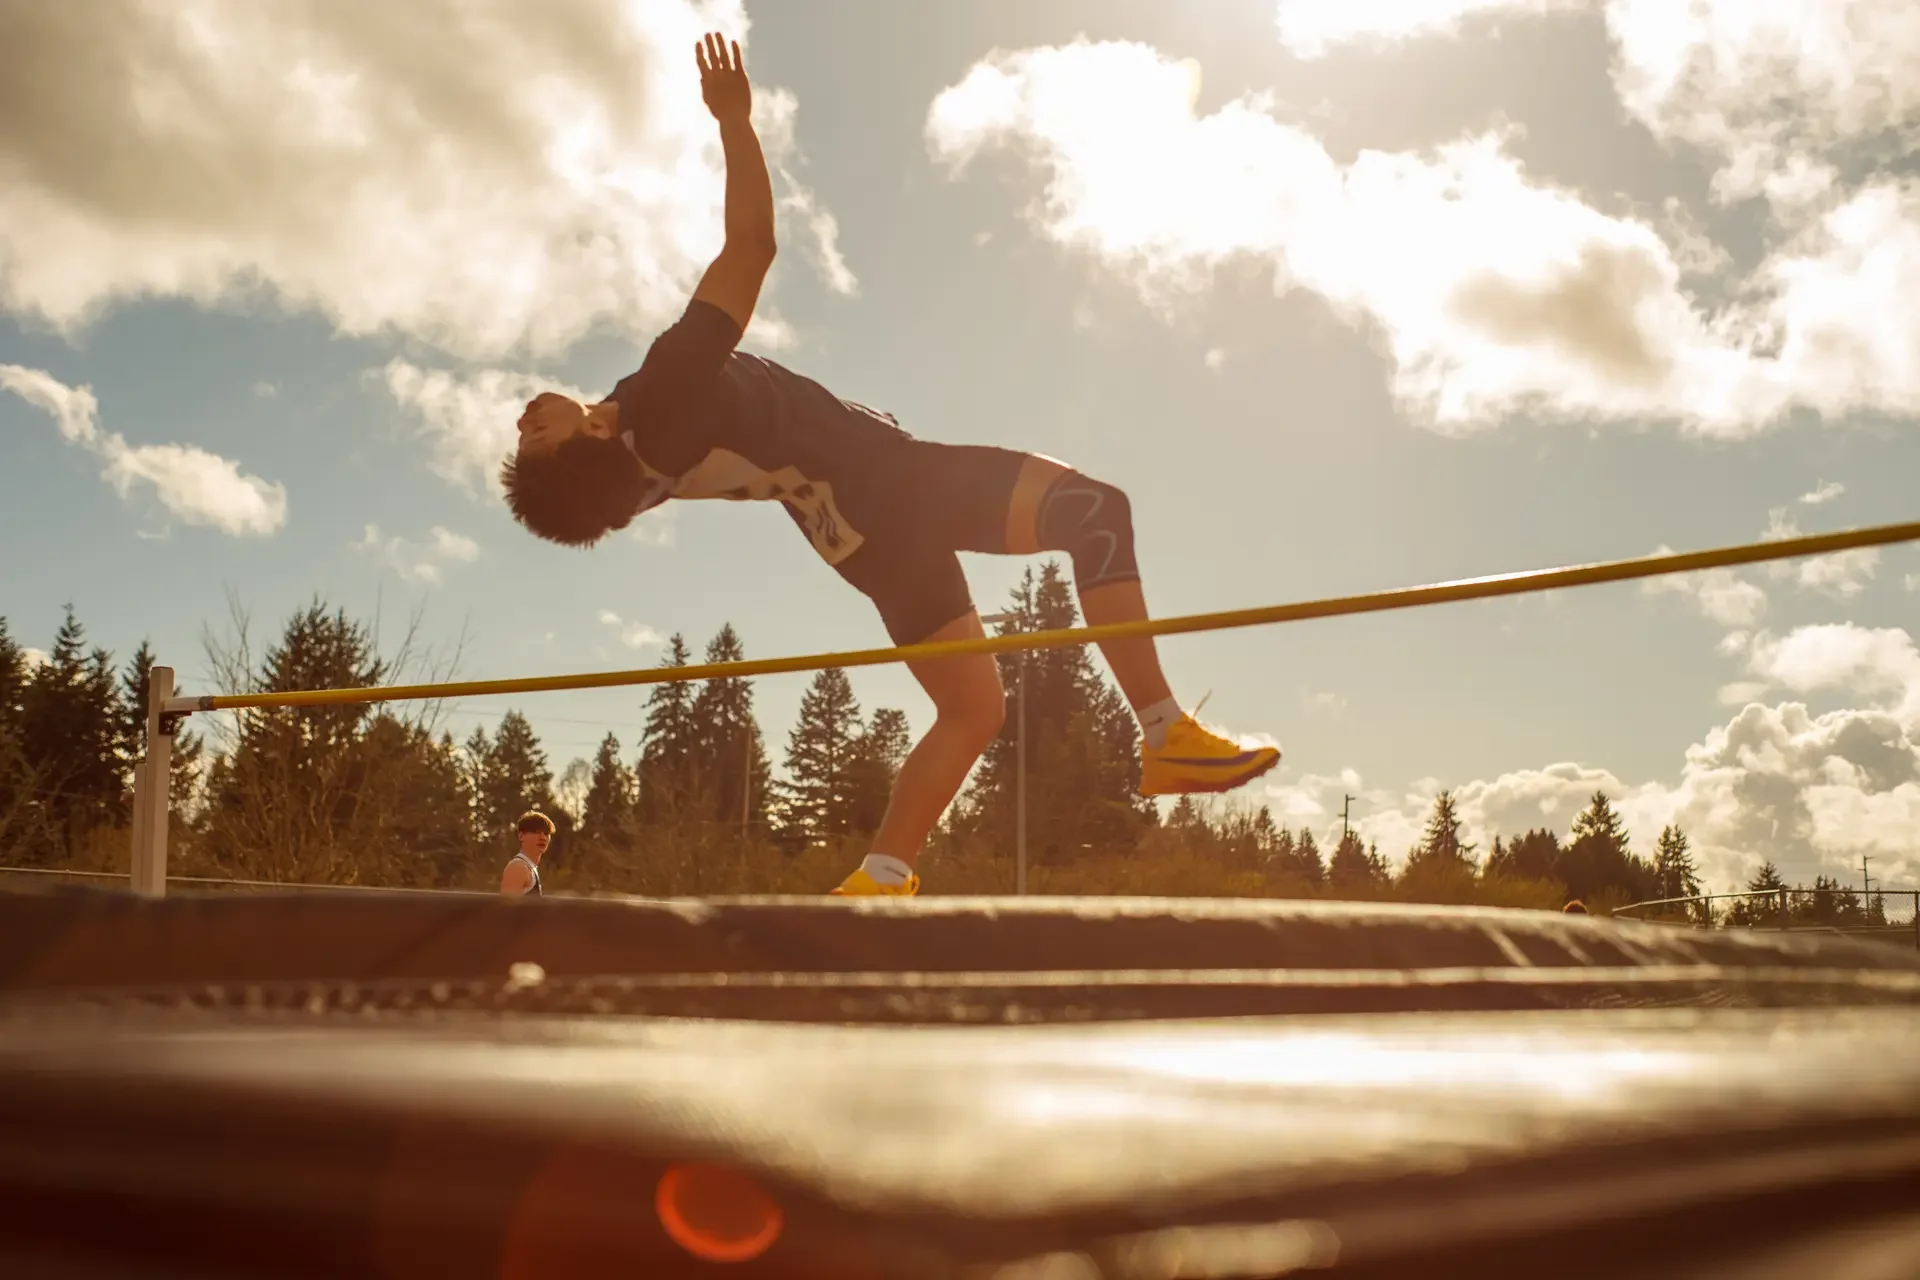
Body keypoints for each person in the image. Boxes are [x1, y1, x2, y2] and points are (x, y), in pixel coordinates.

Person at [500, 33, 1281, 897]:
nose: (525, 417)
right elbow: (751, 249)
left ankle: (880, 874)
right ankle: (1165, 730)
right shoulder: (664, 391)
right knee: (1094, 511)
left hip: (853, 538)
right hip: (887, 482)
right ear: (592, 441)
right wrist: (735, 124)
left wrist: (582, 457)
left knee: (974, 709)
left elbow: (595, 502)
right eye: (537, 437)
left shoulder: (634, 465)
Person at [500, 811, 553, 897]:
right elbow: (504, 908)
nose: (542, 837)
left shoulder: (530, 868)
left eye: (546, 834)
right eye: (536, 832)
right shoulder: (518, 867)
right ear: (521, 836)